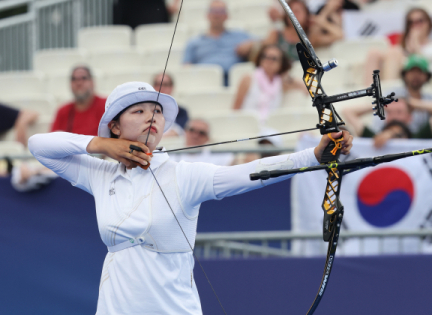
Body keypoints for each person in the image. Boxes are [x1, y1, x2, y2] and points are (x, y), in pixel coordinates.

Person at [28, 81, 353, 314]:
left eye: (156, 111)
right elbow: (38, 145)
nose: (151, 117)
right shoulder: (100, 175)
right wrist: (101, 146)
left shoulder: (184, 175)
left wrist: (312, 156)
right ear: (115, 126)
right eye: (138, 111)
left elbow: (251, 173)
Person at [364, 7, 432, 83]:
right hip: (406, 79)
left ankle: (389, 91)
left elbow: (420, 63)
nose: (416, 26)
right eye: (411, 22)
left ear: (428, 23)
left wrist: (415, 43)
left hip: (425, 81)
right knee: (374, 53)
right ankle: (370, 92)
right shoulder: (404, 46)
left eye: (420, 21)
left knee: (394, 52)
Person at [182, 0, 253, 85]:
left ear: (227, 16)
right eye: (214, 11)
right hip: (205, 85)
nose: (217, 15)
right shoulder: (194, 42)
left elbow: (266, 43)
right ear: (207, 15)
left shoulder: (240, 36)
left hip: (236, 84)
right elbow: (186, 69)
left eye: (221, 11)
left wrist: (252, 44)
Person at [233, 44, 305, 122]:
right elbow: (236, 110)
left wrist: (285, 75)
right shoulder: (248, 79)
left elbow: (307, 89)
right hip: (249, 125)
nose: (268, 61)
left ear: (281, 63)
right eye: (265, 56)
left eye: (274, 58)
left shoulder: (282, 82)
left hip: (272, 125)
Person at [51, 66, 106, 136]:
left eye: (84, 78)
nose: (79, 83)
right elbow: (53, 141)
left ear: (92, 82)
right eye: (74, 79)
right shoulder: (63, 111)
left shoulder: (106, 106)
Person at [169, 118, 234, 165]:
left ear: (208, 138)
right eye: (192, 130)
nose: (195, 135)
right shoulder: (171, 152)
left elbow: (234, 163)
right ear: (185, 131)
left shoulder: (217, 154)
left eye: (201, 133)